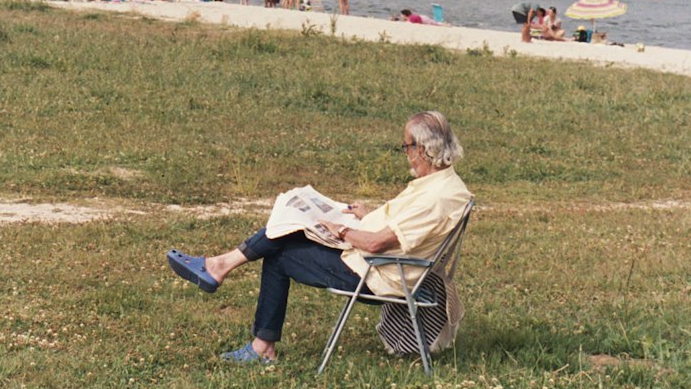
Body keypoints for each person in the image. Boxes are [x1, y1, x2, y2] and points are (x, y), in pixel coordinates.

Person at [166, 110, 470, 365]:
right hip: (375, 261)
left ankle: (255, 334)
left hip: (376, 273)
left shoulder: (436, 197)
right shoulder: (444, 185)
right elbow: (406, 227)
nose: (407, 155)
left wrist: (343, 231)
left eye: (406, 147)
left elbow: (378, 244)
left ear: (422, 148)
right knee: (290, 226)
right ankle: (219, 268)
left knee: (279, 254)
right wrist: (368, 216)